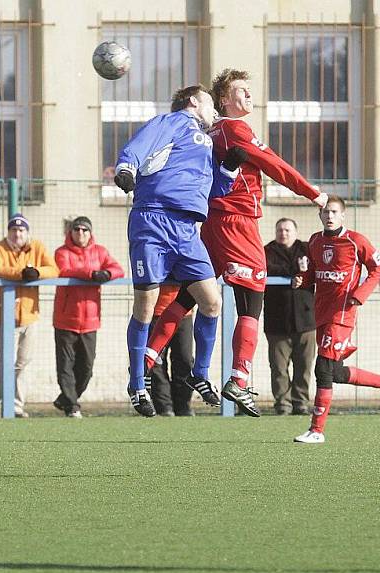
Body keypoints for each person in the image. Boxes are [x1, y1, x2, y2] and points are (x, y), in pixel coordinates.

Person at [143, 68, 327, 418]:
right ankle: (239, 379)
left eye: (248, 89)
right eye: (241, 90)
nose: (248, 95)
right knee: (252, 301)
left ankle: (147, 358)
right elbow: (274, 165)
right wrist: (313, 193)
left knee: (189, 294)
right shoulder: (233, 128)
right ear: (224, 100)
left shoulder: (210, 130)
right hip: (236, 223)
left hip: (213, 221)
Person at [114, 84, 245, 417]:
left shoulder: (205, 141)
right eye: (209, 103)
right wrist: (126, 168)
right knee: (146, 304)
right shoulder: (172, 122)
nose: (214, 110)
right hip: (153, 219)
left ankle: (199, 374)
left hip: (187, 229)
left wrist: (228, 168)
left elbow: (212, 187)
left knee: (212, 301)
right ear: (192, 102)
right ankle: (137, 382)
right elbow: (139, 146)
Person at [292, 197, 380, 443]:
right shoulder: (315, 241)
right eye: (325, 212)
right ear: (320, 216)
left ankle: (316, 431)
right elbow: (313, 272)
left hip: (343, 314)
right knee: (336, 372)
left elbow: (378, 268)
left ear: (343, 216)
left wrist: (359, 294)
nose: (329, 216)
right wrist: (302, 279)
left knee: (322, 368)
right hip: (322, 313)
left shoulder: (356, 241)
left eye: (334, 212)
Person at [0, 213, 59, 418]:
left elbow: (53, 269)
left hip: (29, 315)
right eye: (14, 230)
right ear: (8, 232)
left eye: (21, 230)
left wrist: (35, 271)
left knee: (23, 362)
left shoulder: (37, 247)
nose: (17, 233)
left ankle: (16, 406)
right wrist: (20, 273)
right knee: (4, 361)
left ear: (27, 232)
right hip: (4, 316)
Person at [53, 216, 124, 418]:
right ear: (71, 232)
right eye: (77, 230)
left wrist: (107, 274)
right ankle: (72, 406)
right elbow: (65, 269)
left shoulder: (100, 252)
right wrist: (91, 273)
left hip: (91, 320)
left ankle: (65, 398)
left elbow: (118, 269)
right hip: (65, 318)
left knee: (86, 368)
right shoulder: (62, 252)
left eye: (85, 230)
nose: (81, 233)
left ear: (90, 233)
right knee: (65, 365)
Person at [264, 218, 316, 415]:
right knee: (279, 368)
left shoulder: (307, 250)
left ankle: (301, 402)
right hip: (277, 322)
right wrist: (293, 272)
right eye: (279, 230)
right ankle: (282, 404)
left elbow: (314, 269)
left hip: (306, 320)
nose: (283, 233)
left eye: (287, 230)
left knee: (304, 366)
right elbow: (269, 269)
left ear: (295, 232)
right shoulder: (267, 252)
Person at [149, 284, 195, 417]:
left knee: (185, 359)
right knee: (156, 362)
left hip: (184, 313)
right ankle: (164, 407)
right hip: (155, 312)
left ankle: (183, 405)